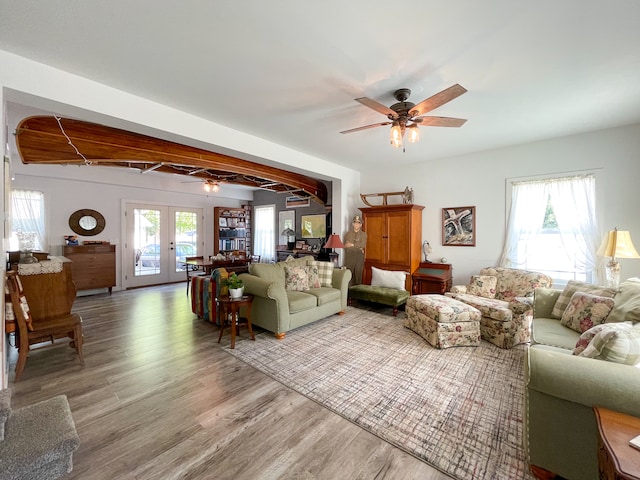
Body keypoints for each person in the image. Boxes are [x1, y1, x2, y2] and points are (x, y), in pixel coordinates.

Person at [344, 215, 367, 286]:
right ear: (352, 224)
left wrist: (352, 245)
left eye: (358, 223)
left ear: (361, 225)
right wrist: (357, 246)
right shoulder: (348, 234)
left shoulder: (364, 234)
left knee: (358, 274)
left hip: (359, 256)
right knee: (349, 273)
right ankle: (348, 293)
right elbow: (346, 246)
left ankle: (356, 293)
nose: (356, 224)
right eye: (355, 223)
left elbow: (362, 245)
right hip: (350, 255)